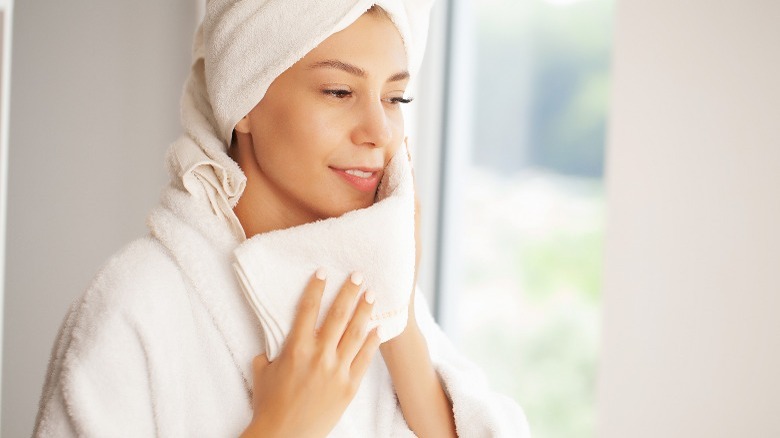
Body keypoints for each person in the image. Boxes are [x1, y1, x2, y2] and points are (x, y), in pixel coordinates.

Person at [33, 1, 530, 437]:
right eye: (338, 91)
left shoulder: (377, 293)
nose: (380, 132)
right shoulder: (136, 306)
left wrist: (399, 329)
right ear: (244, 99)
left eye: (394, 98)